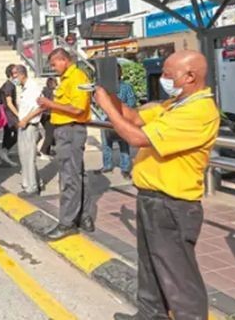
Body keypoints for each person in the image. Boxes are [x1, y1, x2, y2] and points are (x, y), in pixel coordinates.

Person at [94, 50, 219, 320]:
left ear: (190, 76)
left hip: (173, 204)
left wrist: (105, 106)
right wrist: (110, 92)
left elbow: (137, 137)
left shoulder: (200, 111)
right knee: (150, 268)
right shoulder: (176, 104)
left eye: (168, 74)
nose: (163, 78)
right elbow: (134, 117)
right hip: (152, 198)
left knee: (179, 278)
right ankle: (149, 316)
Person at [37, 48, 94, 240]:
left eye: (54, 64)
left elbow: (78, 109)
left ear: (64, 60)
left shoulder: (76, 77)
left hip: (70, 130)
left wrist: (50, 104)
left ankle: (67, 222)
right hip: (68, 130)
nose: (53, 68)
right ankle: (83, 216)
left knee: (69, 176)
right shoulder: (68, 79)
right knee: (78, 174)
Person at [100, 65, 138, 178]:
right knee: (106, 144)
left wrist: (121, 111)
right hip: (106, 120)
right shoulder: (105, 88)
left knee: (124, 144)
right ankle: (107, 166)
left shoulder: (126, 87)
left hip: (122, 119)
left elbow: (132, 102)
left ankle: (125, 168)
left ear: (119, 74)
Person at [14, 65, 43, 196]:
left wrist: (26, 119)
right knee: (24, 156)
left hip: (30, 125)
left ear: (21, 74)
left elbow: (40, 107)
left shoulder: (33, 87)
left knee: (29, 157)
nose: (14, 78)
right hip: (23, 125)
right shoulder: (24, 89)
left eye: (15, 75)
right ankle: (34, 182)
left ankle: (32, 187)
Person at [0, 64, 20, 167]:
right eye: (15, 72)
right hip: (9, 115)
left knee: (7, 134)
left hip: (8, 114)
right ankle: (4, 151)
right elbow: (9, 102)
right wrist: (18, 114)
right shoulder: (9, 86)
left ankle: (4, 156)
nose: (17, 75)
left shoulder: (9, 85)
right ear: (10, 74)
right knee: (18, 133)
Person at [38, 77, 57, 158]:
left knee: (50, 133)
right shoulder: (50, 92)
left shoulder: (44, 91)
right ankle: (44, 151)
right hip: (48, 115)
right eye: (55, 83)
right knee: (50, 134)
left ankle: (48, 151)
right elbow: (51, 104)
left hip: (44, 116)